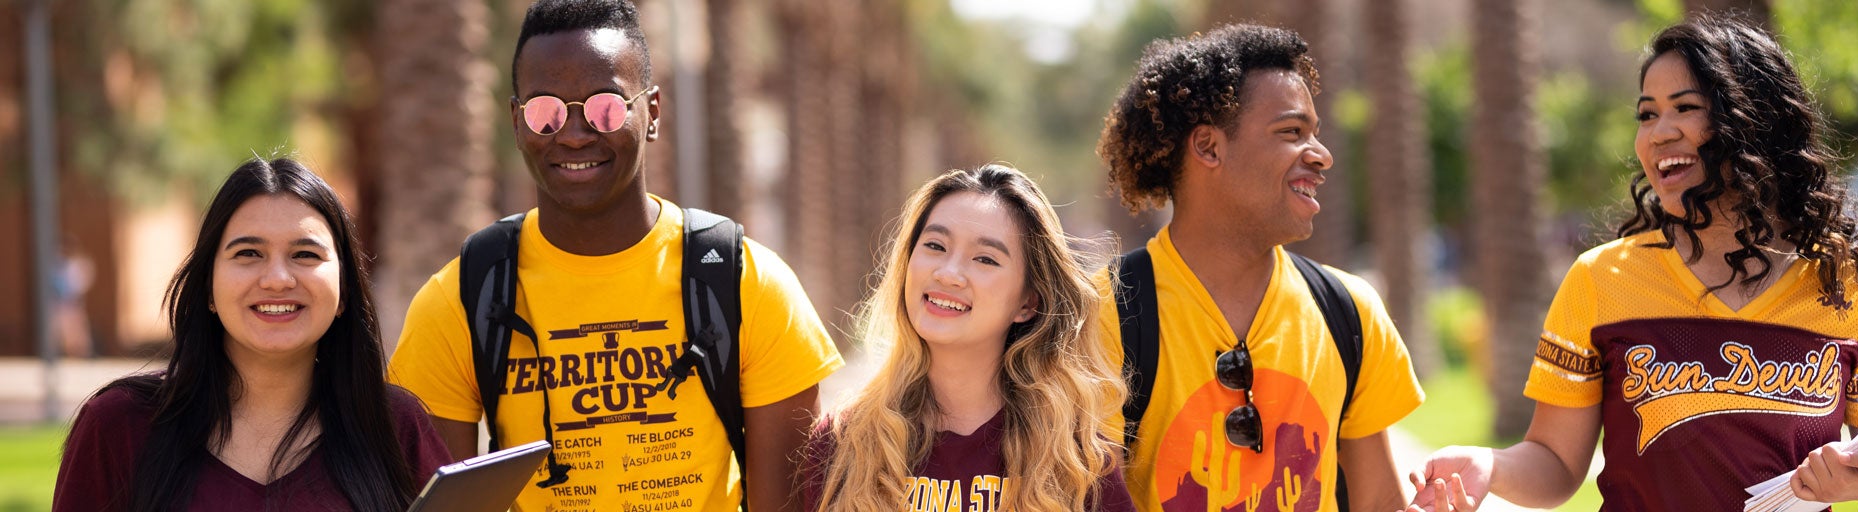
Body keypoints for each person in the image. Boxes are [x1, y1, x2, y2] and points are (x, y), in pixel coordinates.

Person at [1404, 14, 1858, 512]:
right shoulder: (1600, 280)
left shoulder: (1853, 290)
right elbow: (1556, 461)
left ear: (1756, 122)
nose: (1657, 133)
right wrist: (1488, 465)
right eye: (1647, 114)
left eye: (1685, 108)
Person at [385, 0, 842, 511]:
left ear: (652, 112)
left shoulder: (747, 285)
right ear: (517, 123)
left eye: (606, 106)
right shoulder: (460, 302)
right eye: (545, 111)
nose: (575, 134)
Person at [1094, 23, 1426, 512]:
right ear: (1208, 146)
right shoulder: (1104, 314)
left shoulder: (1350, 311)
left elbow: (1380, 501)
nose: (1322, 156)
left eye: (1316, 134)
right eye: (1292, 132)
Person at [53, 158, 451, 511]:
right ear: (208, 286)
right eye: (248, 254)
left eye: (305, 255)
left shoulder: (394, 425)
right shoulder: (117, 426)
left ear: (344, 290)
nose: (277, 279)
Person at [800, 164, 1134, 512]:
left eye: (985, 259)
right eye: (935, 245)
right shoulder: (843, 441)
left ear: (1028, 302)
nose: (948, 274)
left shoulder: (1074, 462)